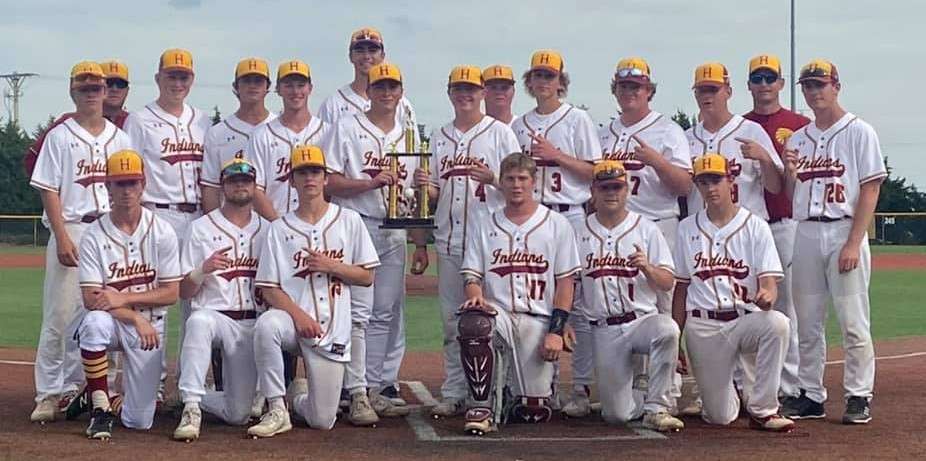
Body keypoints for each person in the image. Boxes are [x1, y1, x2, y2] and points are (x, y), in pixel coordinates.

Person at [408, 65, 520, 418]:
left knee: (499, 319)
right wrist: (427, 187)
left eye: (471, 88)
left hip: (494, 244)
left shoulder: (501, 134)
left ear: (483, 92)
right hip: (451, 239)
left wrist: (495, 178)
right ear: (449, 93)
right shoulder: (439, 137)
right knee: (452, 322)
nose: (465, 94)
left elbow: (521, 185)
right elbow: (438, 194)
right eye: (458, 89)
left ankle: (507, 388)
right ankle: (456, 390)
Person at [247, 145, 379, 437]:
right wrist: (298, 316)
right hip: (293, 324)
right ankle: (277, 408)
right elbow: (268, 288)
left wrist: (333, 266)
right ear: (292, 180)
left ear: (325, 178)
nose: (309, 178)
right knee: (267, 325)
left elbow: (367, 276)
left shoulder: (349, 220)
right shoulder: (279, 228)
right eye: (302, 173)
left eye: (315, 172)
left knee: (322, 420)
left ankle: (298, 399)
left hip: (332, 330)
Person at [780, 60, 886, 425]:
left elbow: (870, 189)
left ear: (836, 86)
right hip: (805, 231)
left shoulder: (859, 132)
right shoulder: (797, 139)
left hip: (843, 228)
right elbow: (790, 191)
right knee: (807, 322)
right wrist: (789, 173)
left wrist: (854, 244)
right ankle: (811, 394)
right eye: (807, 86)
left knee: (853, 321)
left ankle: (858, 394)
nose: (813, 92)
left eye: (820, 84)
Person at [28, 61, 133, 423]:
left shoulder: (120, 139)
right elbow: (48, 188)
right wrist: (60, 235)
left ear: (106, 92)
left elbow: (130, 187)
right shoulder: (59, 135)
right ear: (73, 91)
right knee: (59, 314)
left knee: (108, 311)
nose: (91, 93)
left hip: (110, 230)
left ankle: (99, 389)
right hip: (73, 225)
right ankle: (49, 392)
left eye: (96, 87)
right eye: (84, 87)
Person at [317, 29, 416, 406]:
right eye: (380, 87)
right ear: (369, 91)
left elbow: (416, 186)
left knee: (388, 308)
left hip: (395, 227)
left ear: (400, 92)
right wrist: (369, 183)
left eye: (392, 87)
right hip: (355, 224)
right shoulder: (344, 124)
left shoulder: (408, 128)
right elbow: (327, 181)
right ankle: (351, 384)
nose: (386, 92)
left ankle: (379, 383)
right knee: (356, 310)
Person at [457, 152, 581, 435]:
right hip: (498, 314)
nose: (516, 185)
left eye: (522, 179)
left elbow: (565, 282)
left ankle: (514, 392)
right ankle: (481, 405)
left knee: (533, 412)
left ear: (533, 182)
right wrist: (476, 294)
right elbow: (471, 274)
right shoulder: (485, 223)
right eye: (510, 179)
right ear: (501, 183)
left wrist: (556, 330)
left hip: (537, 318)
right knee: (474, 320)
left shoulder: (556, 224)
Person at [672, 153, 794, 432]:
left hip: (743, 319)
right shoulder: (686, 228)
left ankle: (764, 410)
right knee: (720, 417)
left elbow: (769, 282)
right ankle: (730, 393)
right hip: (703, 326)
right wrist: (676, 338)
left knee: (778, 324)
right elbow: (681, 287)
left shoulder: (755, 226)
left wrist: (767, 295)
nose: (711, 188)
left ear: (730, 181)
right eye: (703, 182)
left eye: (716, 180)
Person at [511, 49, 601, 418]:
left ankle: (579, 387)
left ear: (561, 81)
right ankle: (541, 385)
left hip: (570, 214)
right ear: (529, 82)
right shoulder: (519, 124)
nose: (544, 82)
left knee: (577, 305)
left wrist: (555, 154)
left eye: (550, 76)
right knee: (536, 300)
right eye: (538, 76)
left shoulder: (577, 119)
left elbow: (595, 172)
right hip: (532, 218)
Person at [122, 48, 212, 400]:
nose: (177, 82)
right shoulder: (141, 120)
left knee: (198, 301)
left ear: (192, 80)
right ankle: (152, 383)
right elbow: (130, 172)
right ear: (158, 78)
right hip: (157, 214)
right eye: (171, 75)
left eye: (184, 76)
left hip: (196, 217)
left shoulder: (203, 121)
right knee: (154, 302)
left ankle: (193, 383)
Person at [76, 149, 182, 439]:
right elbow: (91, 299)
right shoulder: (94, 234)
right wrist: (134, 318)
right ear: (107, 187)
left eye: (132, 182)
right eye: (119, 183)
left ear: (143, 185)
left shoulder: (162, 231)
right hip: (117, 321)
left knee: (139, 421)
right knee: (93, 323)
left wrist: (123, 299)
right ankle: (99, 407)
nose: (126, 190)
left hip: (151, 327)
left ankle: (107, 400)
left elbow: (172, 293)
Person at [576, 160, 683, 432]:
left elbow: (668, 281)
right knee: (617, 416)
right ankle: (638, 392)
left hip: (640, 321)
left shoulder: (646, 228)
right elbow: (568, 283)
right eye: (605, 187)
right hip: (604, 329)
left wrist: (647, 267)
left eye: (617, 187)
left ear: (627, 190)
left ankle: (657, 408)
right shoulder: (578, 233)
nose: (612, 192)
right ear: (593, 191)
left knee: (667, 329)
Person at [173, 158, 270, 441]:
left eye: (246, 181)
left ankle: (191, 393)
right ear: (222, 186)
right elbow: (183, 291)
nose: (240, 185)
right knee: (198, 320)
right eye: (233, 181)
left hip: (253, 322)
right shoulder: (200, 228)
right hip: (216, 317)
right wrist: (202, 270)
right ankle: (191, 407)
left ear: (254, 186)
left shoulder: (268, 230)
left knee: (237, 414)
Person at [742, 53, 811, 405]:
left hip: (784, 223)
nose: (764, 84)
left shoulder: (800, 124)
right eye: (758, 78)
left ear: (782, 84)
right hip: (747, 228)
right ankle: (748, 383)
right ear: (749, 84)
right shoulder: (739, 125)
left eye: (771, 78)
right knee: (745, 306)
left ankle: (790, 384)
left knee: (787, 309)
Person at [250, 60, 331, 220]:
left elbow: (332, 184)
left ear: (310, 88)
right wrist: (280, 226)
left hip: (319, 225)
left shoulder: (327, 132)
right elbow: (255, 187)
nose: (295, 91)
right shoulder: (262, 134)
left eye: (301, 85)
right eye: (288, 85)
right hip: (271, 223)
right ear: (278, 90)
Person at [23, 60, 130, 177]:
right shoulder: (66, 124)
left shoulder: (134, 122)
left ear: (127, 90)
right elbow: (33, 160)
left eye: (120, 84)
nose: (114, 89)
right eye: (110, 83)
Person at [201, 58, 275, 213]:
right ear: (235, 87)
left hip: (275, 217)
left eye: (258, 81)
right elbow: (211, 187)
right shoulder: (218, 132)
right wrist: (215, 226)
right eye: (247, 81)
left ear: (268, 87)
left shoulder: (278, 127)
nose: (253, 86)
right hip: (231, 221)